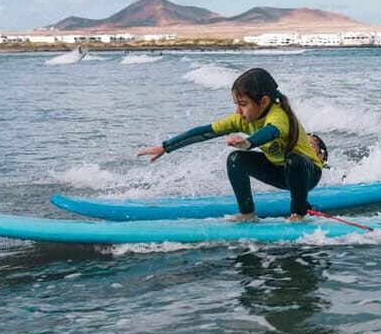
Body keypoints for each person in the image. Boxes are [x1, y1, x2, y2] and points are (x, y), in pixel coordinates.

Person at [137, 68, 323, 222]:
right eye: (236, 104)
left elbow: (270, 132)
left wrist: (249, 142)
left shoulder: (278, 115)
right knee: (236, 159)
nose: (237, 110)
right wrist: (165, 147)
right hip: (280, 172)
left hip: (307, 173)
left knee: (294, 161)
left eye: (243, 104)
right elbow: (203, 132)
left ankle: (298, 214)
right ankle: (247, 213)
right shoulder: (242, 119)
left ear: (264, 101)